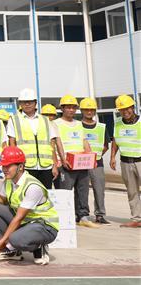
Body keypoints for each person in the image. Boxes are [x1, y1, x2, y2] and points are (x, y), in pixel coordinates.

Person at [0, 146, 58, 265]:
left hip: (44, 226)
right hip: (26, 222)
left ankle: (38, 245)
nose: (4, 169)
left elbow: (19, 218)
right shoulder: (9, 181)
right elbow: (2, 200)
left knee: (15, 239)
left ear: (21, 167)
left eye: (8, 166)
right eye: (3, 166)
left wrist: (2, 242)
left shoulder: (32, 186)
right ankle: (12, 250)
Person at [54, 95, 98, 228]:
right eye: (68, 107)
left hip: (81, 163)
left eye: (73, 107)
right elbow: (57, 142)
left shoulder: (78, 124)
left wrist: (91, 157)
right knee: (65, 191)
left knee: (83, 190)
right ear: (62, 108)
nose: (71, 110)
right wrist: (62, 159)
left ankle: (83, 216)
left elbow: (84, 141)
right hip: (66, 164)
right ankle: (65, 216)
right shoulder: (56, 123)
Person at [8, 88, 65, 189]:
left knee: (45, 194)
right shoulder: (14, 120)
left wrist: (54, 165)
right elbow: (12, 144)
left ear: (35, 103)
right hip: (25, 166)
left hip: (45, 167)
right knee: (26, 193)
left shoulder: (45, 120)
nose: (27, 104)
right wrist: (16, 166)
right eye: (24, 102)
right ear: (20, 103)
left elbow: (51, 145)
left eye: (30, 101)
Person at [109, 94, 141, 228]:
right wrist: (112, 157)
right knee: (132, 192)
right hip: (125, 162)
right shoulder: (117, 123)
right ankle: (137, 219)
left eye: (127, 108)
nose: (125, 112)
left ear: (133, 107)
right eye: (122, 109)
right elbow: (115, 141)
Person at [79, 97, 112, 225]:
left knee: (99, 190)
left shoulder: (101, 127)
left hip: (97, 163)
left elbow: (105, 146)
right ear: (82, 110)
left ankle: (100, 214)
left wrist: (95, 156)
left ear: (95, 111)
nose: (89, 112)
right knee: (81, 191)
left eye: (92, 109)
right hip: (81, 163)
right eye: (86, 109)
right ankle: (81, 214)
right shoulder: (77, 126)